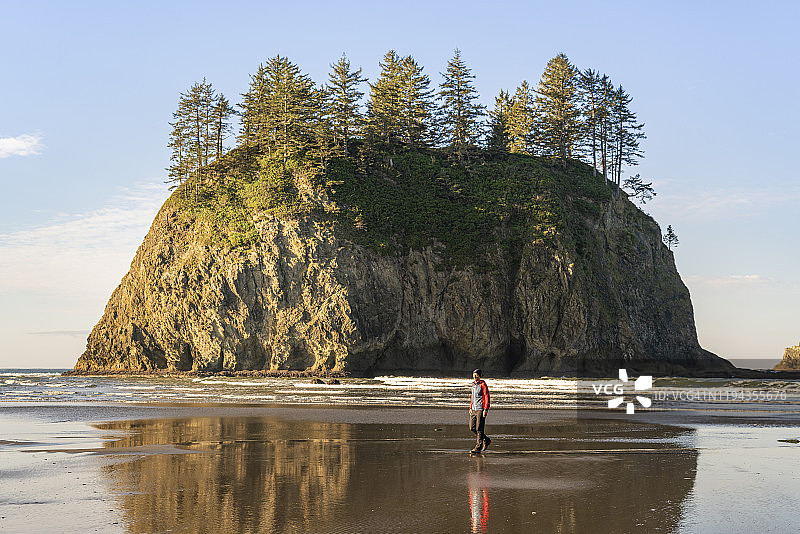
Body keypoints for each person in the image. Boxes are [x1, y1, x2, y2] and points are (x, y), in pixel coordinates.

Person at [468, 368, 491, 453]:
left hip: (481, 409)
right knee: (472, 428)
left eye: (476, 375)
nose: (475, 377)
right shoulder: (473, 385)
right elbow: (472, 397)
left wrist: (486, 409)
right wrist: (470, 407)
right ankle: (486, 439)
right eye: (474, 375)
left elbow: (487, 396)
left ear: (479, 376)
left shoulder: (483, 384)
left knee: (479, 428)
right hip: (474, 409)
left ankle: (478, 447)